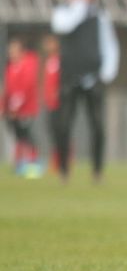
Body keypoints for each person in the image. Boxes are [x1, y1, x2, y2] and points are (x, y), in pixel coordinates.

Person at [51, 0, 120, 184]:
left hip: (93, 77)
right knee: (63, 125)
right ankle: (64, 170)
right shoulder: (63, 13)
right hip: (70, 77)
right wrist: (79, 7)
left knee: (98, 126)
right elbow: (64, 26)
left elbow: (110, 44)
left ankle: (97, 171)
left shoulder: (100, 16)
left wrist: (107, 71)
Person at [3, 37, 42, 177]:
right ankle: (21, 164)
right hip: (13, 111)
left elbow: (26, 88)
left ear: (21, 51)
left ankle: (34, 164)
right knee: (18, 136)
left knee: (27, 136)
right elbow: (8, 90)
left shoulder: (28, 65)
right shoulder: (10, 68)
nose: (11, 53)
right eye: (10, 50)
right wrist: (4, 107)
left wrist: (15, 107)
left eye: (14, 50)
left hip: (26, 109)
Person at [41, 34, 63, 175]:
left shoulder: (60, 61)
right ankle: (55, 161)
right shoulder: (48, 61)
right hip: (49, 103)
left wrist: (58, 93)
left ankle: (62, 161)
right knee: (52, 132)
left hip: (59, 104)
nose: (47, 46)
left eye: (50, 43)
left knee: (60, 132)